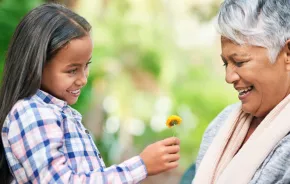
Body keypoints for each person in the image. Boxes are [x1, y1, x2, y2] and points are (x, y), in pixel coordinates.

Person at [0, 3, 180, 184]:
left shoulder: (60, 113)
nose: (83, 79)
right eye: (72, 70)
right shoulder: (31, 113)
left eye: (86, 66)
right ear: (36, 67)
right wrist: (141, 166)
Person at [192, 0, 290, 184]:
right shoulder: (221, 124)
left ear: (288, 54)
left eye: (239, 62)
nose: (229, 77)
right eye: (225, 63)